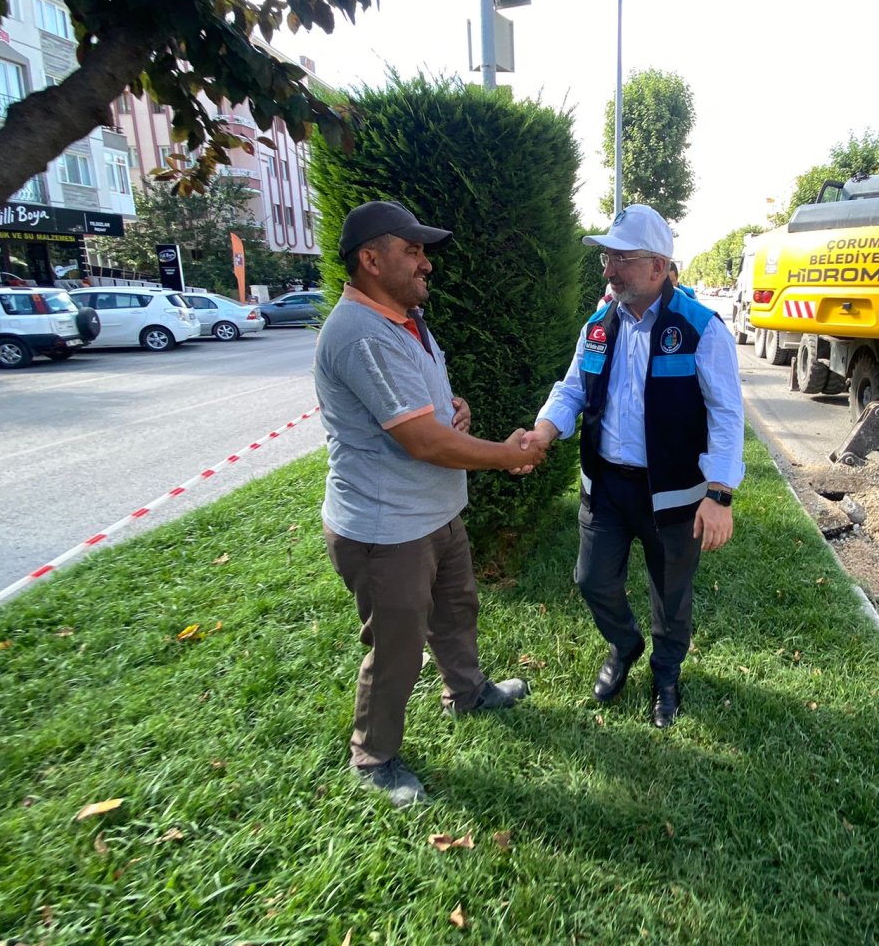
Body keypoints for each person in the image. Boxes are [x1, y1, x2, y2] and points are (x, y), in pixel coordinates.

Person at [315, 200, 547, 807]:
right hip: (387, 529)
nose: (427, 264)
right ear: (371, 260)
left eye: (424, 252)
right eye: (413, 251)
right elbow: (420, 440)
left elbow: (420, 410)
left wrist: (452, 407)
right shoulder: (362, 334)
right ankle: (373, 757)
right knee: (397, 646)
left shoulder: (406, 320)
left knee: (455, 610)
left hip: (433, 514)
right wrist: (505, 454)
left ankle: (466, 692)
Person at [523, 205, 745, 728]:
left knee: (671, 594)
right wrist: (543, 431)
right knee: (591, 580)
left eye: (620, 258)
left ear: (658, 266)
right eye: (606, 257)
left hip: (674, 495)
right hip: (606, 487)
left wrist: (719, 494)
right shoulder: (598, 326)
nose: (608, 269)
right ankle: (625, 645)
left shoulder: (700, 329)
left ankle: (666, 674)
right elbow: (572, 389)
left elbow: (726, 413)